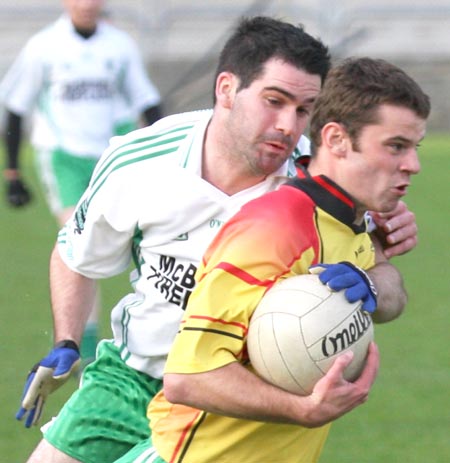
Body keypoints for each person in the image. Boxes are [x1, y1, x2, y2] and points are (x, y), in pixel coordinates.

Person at [20, 16, 418, 463]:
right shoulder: (139, 160)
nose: (289, 126)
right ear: (226, 89)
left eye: (304, 109)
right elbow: (75, 255)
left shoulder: (316, 182)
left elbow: (379, 277)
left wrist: (380, 250)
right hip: (130, 377)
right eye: (274, 101)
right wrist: (67, 342)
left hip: (227, 403)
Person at [139, 56, 430, 463]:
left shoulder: (349, 217)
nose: (412, 165)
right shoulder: (274, 228)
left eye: (413, 148)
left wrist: (372, 284)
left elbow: (389, 291)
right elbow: (188, 378)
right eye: (395, 147)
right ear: (336, 140)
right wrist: (302, 411)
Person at [0, 0, 163, 367]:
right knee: (80, 244)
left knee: (145, 239)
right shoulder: (44, 46)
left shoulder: (119, 46)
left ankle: (150, 334)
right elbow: (15, 107)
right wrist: (12, 172)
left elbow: (148, 102)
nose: (86, 4)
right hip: (63, 159)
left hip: (112, 155)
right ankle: (82, 354)